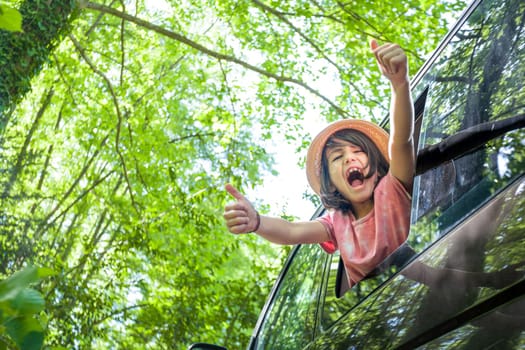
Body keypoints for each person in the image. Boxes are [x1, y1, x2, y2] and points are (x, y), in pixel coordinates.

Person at [223, 40, 415, 287]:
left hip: (420, 282)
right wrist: (257, 222)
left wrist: (400, 86)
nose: (349, 157)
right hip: (381, 307)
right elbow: (291, 231)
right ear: (332, 184)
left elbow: (401, 140)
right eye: (337, 157)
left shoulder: (393, 189)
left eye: (358, 150)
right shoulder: (337, 223)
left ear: (377, 166)